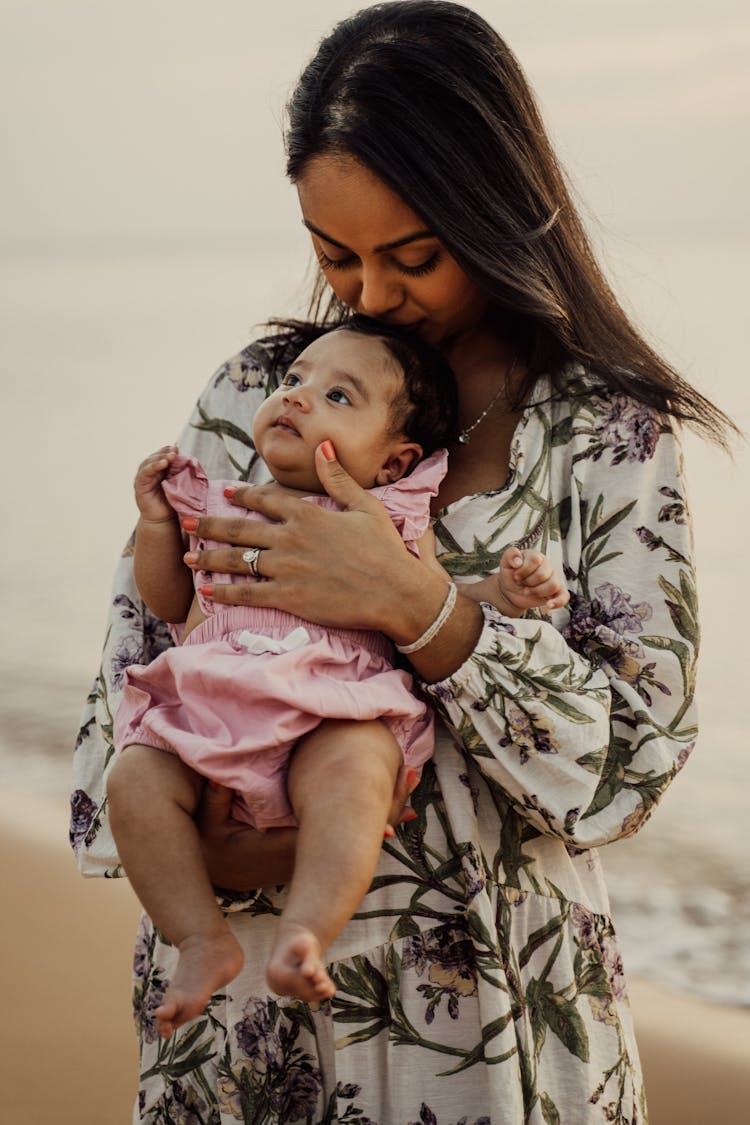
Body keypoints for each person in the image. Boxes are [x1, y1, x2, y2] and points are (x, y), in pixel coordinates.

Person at [70, 2, 736, 1120]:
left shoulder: (607, 431)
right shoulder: (257, 394)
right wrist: (228, 863)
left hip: (492, 1022)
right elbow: (126, 699)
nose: (371, 297)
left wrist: (418, 605)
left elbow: (628, 771)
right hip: (243, 1016)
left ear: (498, 212)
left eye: (412, 257)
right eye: (336, 256)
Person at [106, 316, 570, 1034]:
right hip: (213, 712)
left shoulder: (385, 516)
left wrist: (504, 595)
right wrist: (161, 528)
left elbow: (432, 593)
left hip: (335, 704)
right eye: (294, 381)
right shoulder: (225, 502)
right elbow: (170, 601)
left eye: (338, 397)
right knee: (133, 775)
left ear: (393, 462)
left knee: (359, 768)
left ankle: (306, 931)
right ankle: (200, 936)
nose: (297, 396)